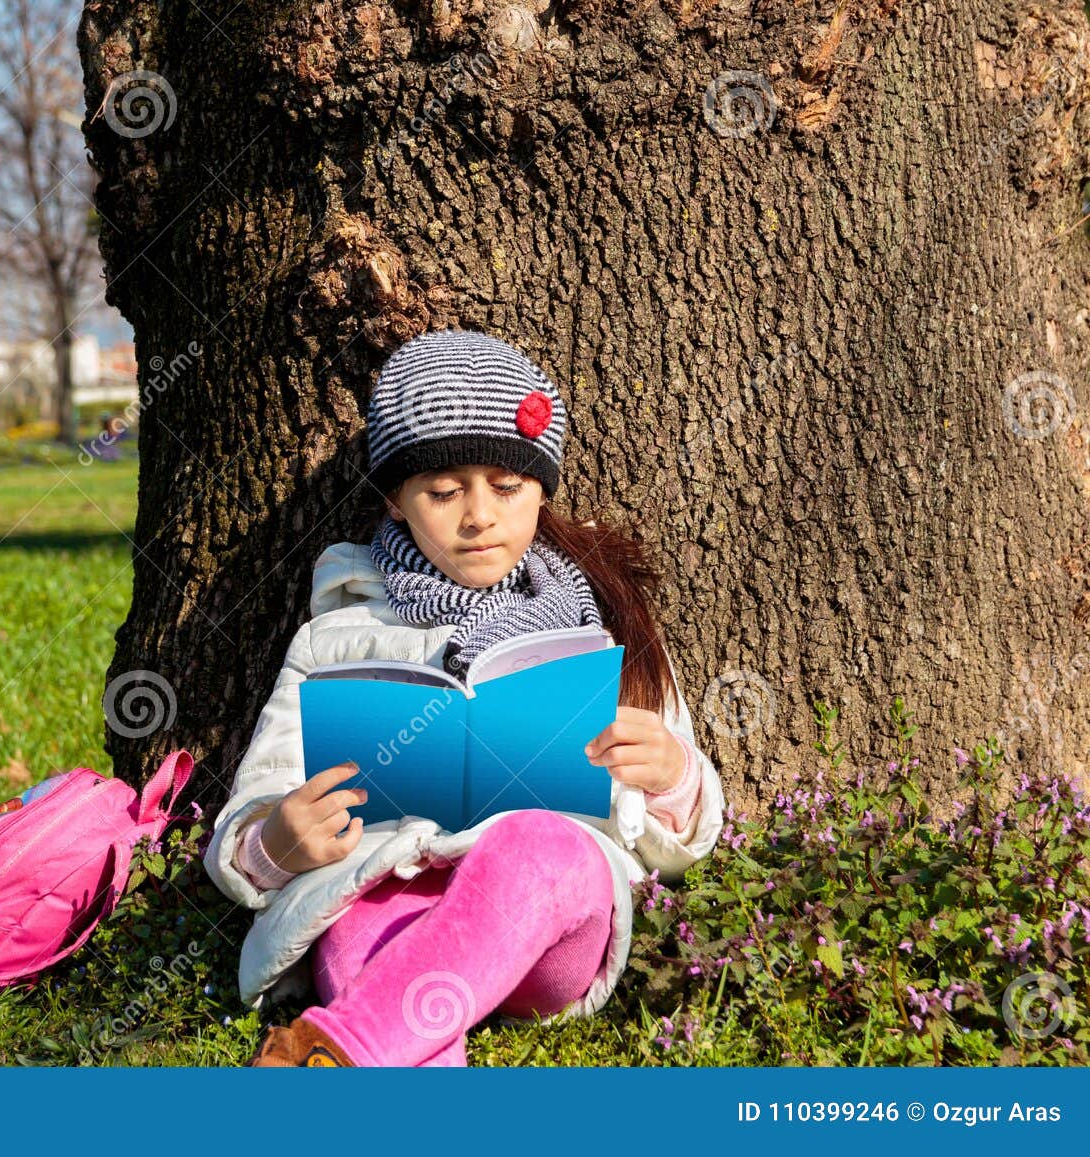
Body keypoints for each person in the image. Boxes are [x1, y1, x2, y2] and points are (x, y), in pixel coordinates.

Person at [201, 328, 726, 1066]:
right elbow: (255, 809)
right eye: (444, 491)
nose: (479, 515)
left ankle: (343, 1052)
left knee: (540, 845)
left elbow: (682, 837)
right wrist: (275, 843)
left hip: (547, 918)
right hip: (387, 891)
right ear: (395, 499)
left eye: (507, 487)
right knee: (358, 926)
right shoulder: (337, 637)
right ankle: (375, 1060)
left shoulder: (597, 628)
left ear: (541, 487)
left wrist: (672, 775)